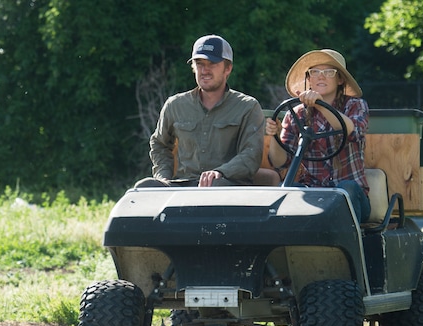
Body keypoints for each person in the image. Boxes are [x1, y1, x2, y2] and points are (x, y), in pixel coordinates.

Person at [135, 35, 265, 188]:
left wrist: (221, 172)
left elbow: (251, 154)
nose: (205, 70)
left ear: (228, 68)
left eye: (212, 64)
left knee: (214, 184)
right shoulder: (175, 105)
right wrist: (163, 178)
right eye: (199, 64)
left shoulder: (247, 107)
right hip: (184, 186)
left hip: (228, 188)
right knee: (145, 187)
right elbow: (159, 144)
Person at [266, 49, 371, 222]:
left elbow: (352, 131)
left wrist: (320, 104)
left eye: (329, 72)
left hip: (351, 195)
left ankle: (347, 243)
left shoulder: (355, 105)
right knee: (286, 189)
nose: (321, 77)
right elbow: (280, 162)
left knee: (346, 189)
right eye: (315, 72)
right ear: (308, 78)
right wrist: (274, 135)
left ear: (340, 79)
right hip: (313, 192)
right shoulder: (297, 113)